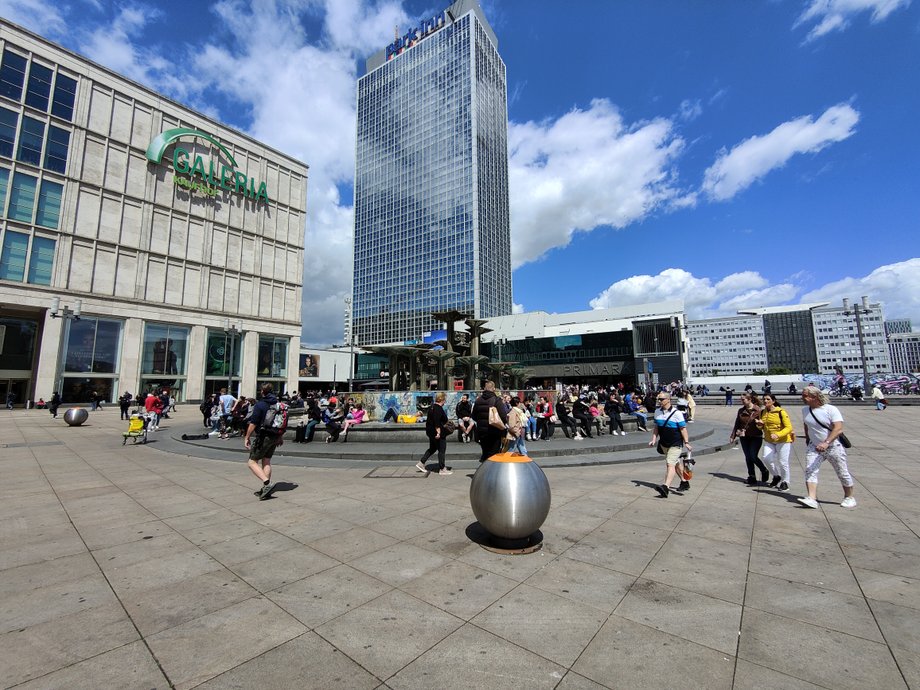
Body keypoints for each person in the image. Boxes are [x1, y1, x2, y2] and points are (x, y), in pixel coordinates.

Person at [799, 385, 856, 509]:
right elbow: (807, 425)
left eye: (805, 396)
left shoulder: (830, 409)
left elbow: (838, 428)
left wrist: (827, 442)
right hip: (814, 447)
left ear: (814, 397)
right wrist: (808, 439)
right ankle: (812, 498)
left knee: (842, 472)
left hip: (833, 446)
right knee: (810, 470)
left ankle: (849, 497)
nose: (802, 398)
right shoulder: (805, 410)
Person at [649, 392, 692, 497]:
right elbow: (656, 427)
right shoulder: (657, 412)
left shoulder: (677, 413)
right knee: (676, 463)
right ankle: (684, 482)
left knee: (670, 463)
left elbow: (683, 429)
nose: (659, 401)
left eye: (662, 399)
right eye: (658, 399)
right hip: (664, 444)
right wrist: (653, 439)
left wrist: (686, 442)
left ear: (668, 399)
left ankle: (665, 487)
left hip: (676, 443)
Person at [244, 383, 282, 500]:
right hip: (274, 435)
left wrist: (247, 437)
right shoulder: (277, 404)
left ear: (262, 392)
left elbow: (253, 423)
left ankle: (267, 484)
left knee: (252, 462)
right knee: (266, 461)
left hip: (264, 436)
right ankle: (266, 490)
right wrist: (280, 436)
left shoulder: (260, 405)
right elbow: (281, 421)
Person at [755, 393, 793, 492]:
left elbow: (789, 427)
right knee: (766, 458)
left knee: (783, 462)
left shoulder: (781, 412)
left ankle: (785, 482)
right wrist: (759, 425)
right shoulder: (763, 412)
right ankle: (776, 476)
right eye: (764, 399)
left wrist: (778, 434)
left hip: (783, 440)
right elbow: (761, 427)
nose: (765, 401)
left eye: (768, 399)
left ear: (773, 401)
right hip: (769, 440)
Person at [731, 392, 770, 485]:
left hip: (756, 436)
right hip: (744, 437)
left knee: (753, 456)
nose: (742, 401)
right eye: (741, 400)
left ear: (749, 400)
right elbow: (737, 423)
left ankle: (764, 470)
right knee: (748, 457)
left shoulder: (758, 410)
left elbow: (764, 423)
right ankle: (752, 476)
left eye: (743, 399)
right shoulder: (741, 411)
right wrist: (733, 436)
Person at [414, 391, 451, 475]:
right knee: (442, 449)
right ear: (442, 399)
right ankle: (442, 469)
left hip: (431, 432)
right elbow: (436, 422)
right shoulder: (438, 409)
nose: (445, 400)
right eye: (445, 399)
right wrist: (438, 433)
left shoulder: (432, 407)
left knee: (432, 448)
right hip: (437, 433)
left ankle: (421, 463)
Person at [473, 380, 508, 462]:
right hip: (494, 431)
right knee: (494, 453)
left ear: (485, 388)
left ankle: (484, 471)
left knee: (485, 452)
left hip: (481, 431)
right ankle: (492, 473)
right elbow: (503, 416)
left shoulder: (478, 400)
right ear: (494, 389)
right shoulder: (496, 400)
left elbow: (474, 416)